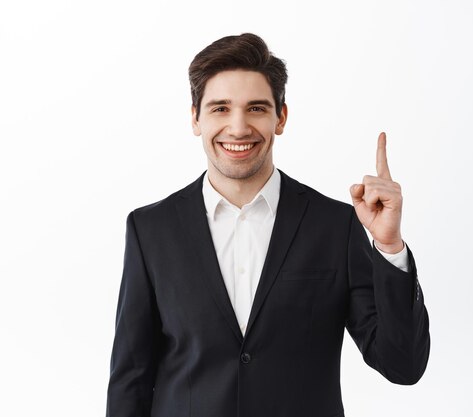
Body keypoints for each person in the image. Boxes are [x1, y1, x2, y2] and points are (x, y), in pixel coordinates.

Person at [105, 33, 430, 417]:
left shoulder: (335, 225)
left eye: (256, 108)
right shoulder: (150, 230)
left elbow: (402, 365)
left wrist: (389, 247)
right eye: (220, 108)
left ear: (281, 117)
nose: (238, 128)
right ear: (195, 118)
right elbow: (131, 379)